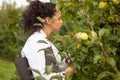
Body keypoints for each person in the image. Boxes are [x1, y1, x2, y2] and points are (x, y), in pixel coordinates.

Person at [21, 0, 76, 80]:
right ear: (48, 20)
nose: (62, 22)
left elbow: (60, 64)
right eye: (59, 18)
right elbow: (41, 78)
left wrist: (76, 48)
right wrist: (66, 74)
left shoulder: (45, 41)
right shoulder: (36, 43)